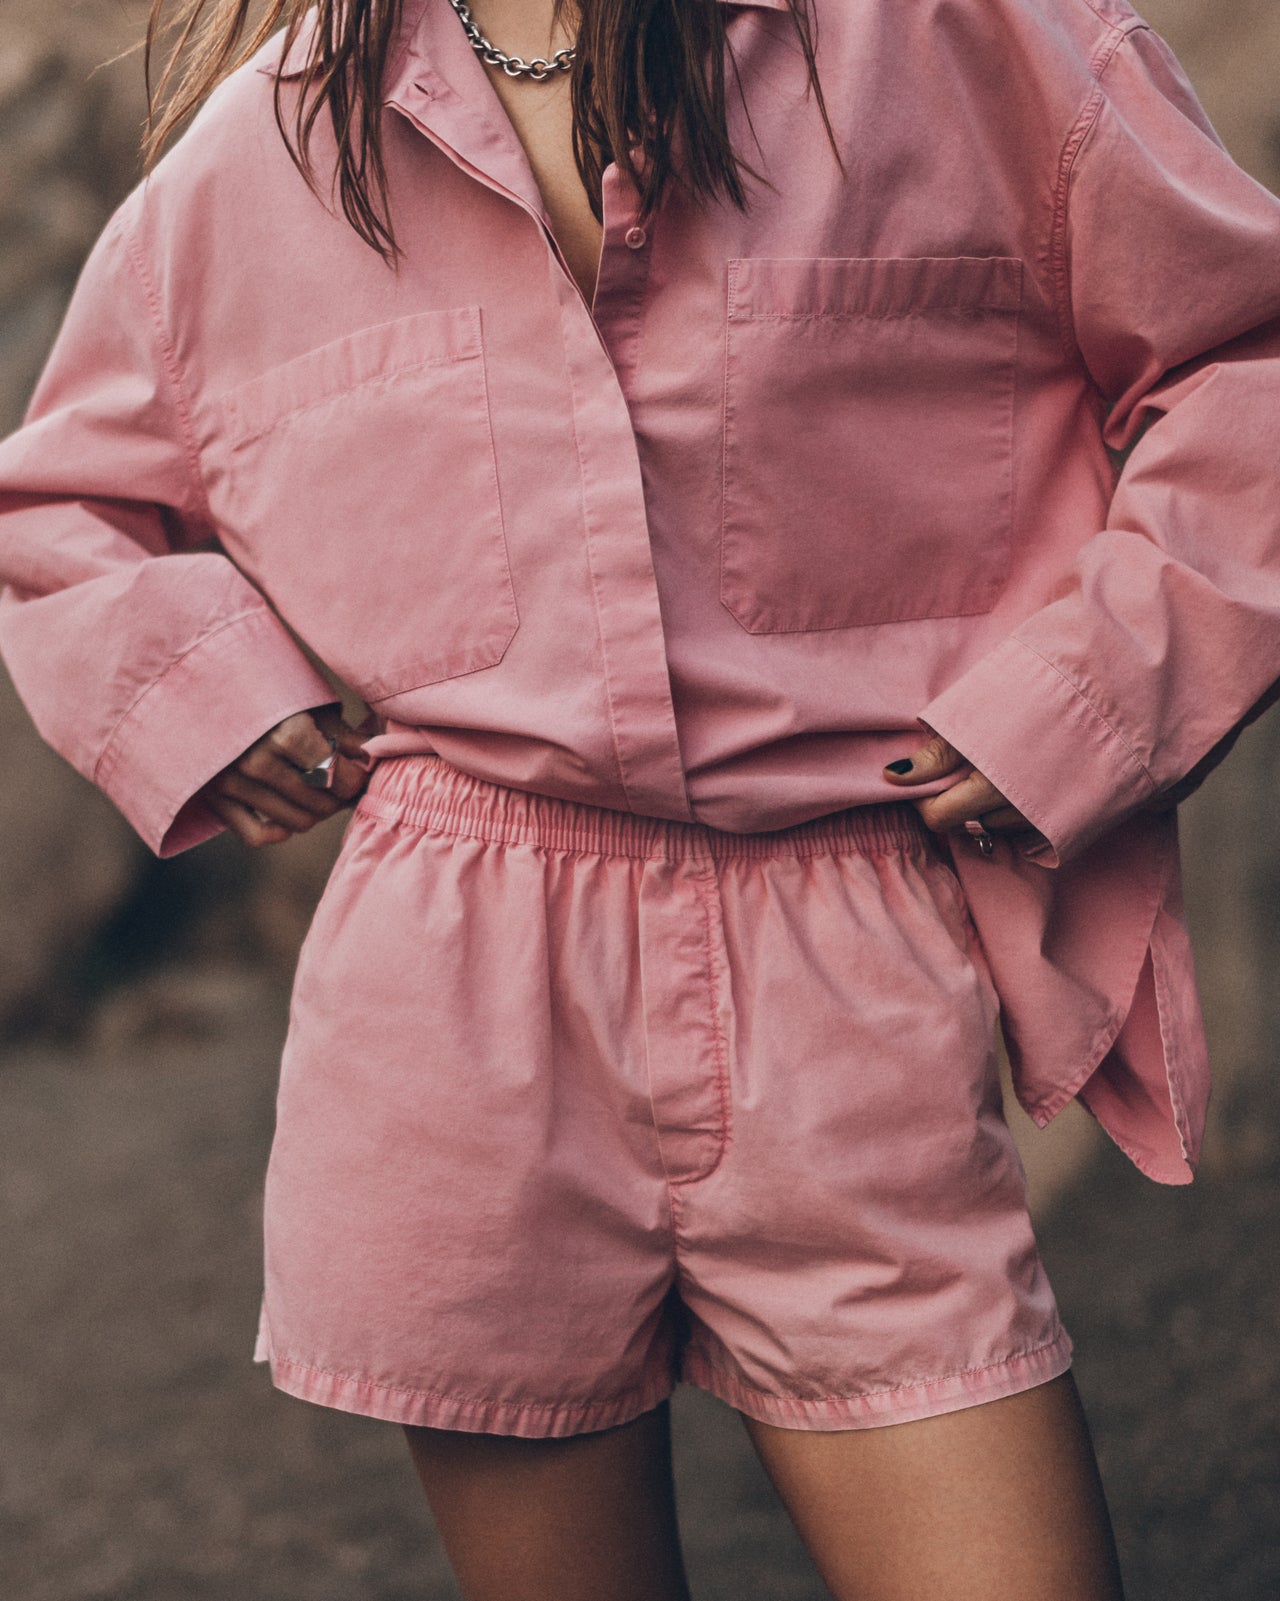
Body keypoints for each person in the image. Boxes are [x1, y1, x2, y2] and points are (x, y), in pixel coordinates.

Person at [1, 0, 1278, 1594]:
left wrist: (1086, 692)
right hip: (455, 996)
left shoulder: (954, 42)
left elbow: (1247, 359)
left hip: (848, 970)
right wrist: (203, 693)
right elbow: (58, 502)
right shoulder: (277, 136)